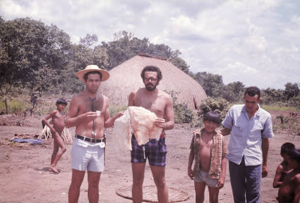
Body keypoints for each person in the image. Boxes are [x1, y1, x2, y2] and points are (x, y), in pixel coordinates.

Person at [65, 65, 123, 203]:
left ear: (100, 81)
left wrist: (115, 118)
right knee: (76, 182)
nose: (94, 83)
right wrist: (82, 118)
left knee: (94, 184)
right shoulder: (77, 99)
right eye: (91, 80)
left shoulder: (105, 100)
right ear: (85, 81)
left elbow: (106, 123)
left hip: (98, 146)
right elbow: (67, 123)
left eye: (97, 80)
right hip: (81, 144)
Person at [128, 65, 174, 203]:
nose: (150, 81)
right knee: (137, 180)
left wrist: (163, 124)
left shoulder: (165, 98)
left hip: (157, 141)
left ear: (158, 80)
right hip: (138, 140)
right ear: (143, 79)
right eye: (147, 78)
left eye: (153, 79)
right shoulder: (135, 94)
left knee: (160, 181)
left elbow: (171, 123)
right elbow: (129, 116)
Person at [221, 86, 274, 203]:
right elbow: (226, 130)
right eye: (247, 101)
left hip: (254, 161)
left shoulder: (265, 116)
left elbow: (265, 140)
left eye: (253, 102)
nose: (249, 105)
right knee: (238, 194)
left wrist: (265, 164)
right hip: (235, 159)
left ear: (259, 101)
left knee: (254, 195)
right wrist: (209, 132)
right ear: (244, 98)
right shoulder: (234, 110)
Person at [188, 111, 228, 203]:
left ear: (217, 125)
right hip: (199, 172)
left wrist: (222, 177)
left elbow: (223, 157)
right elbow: (192, 153)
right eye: (208, 122)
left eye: (214, 123)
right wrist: (189, 168)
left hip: (213, 174)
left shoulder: (220, 138)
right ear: (204, 121)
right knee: (198, 198)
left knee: (213, 199)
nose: (210, 125)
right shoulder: (197, 135)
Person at [42, 98, 68, 174]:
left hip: (59, 133)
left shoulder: (61, 114)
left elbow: (60, 122)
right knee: (63, 148)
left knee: (55, 150)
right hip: (55, 132)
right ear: (57, 105)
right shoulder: (55, 112)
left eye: (64, 105)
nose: (63, 107)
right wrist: (51, 128)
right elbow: (44, 119)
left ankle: (51, 167)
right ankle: (53, 165)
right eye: (61, 105)